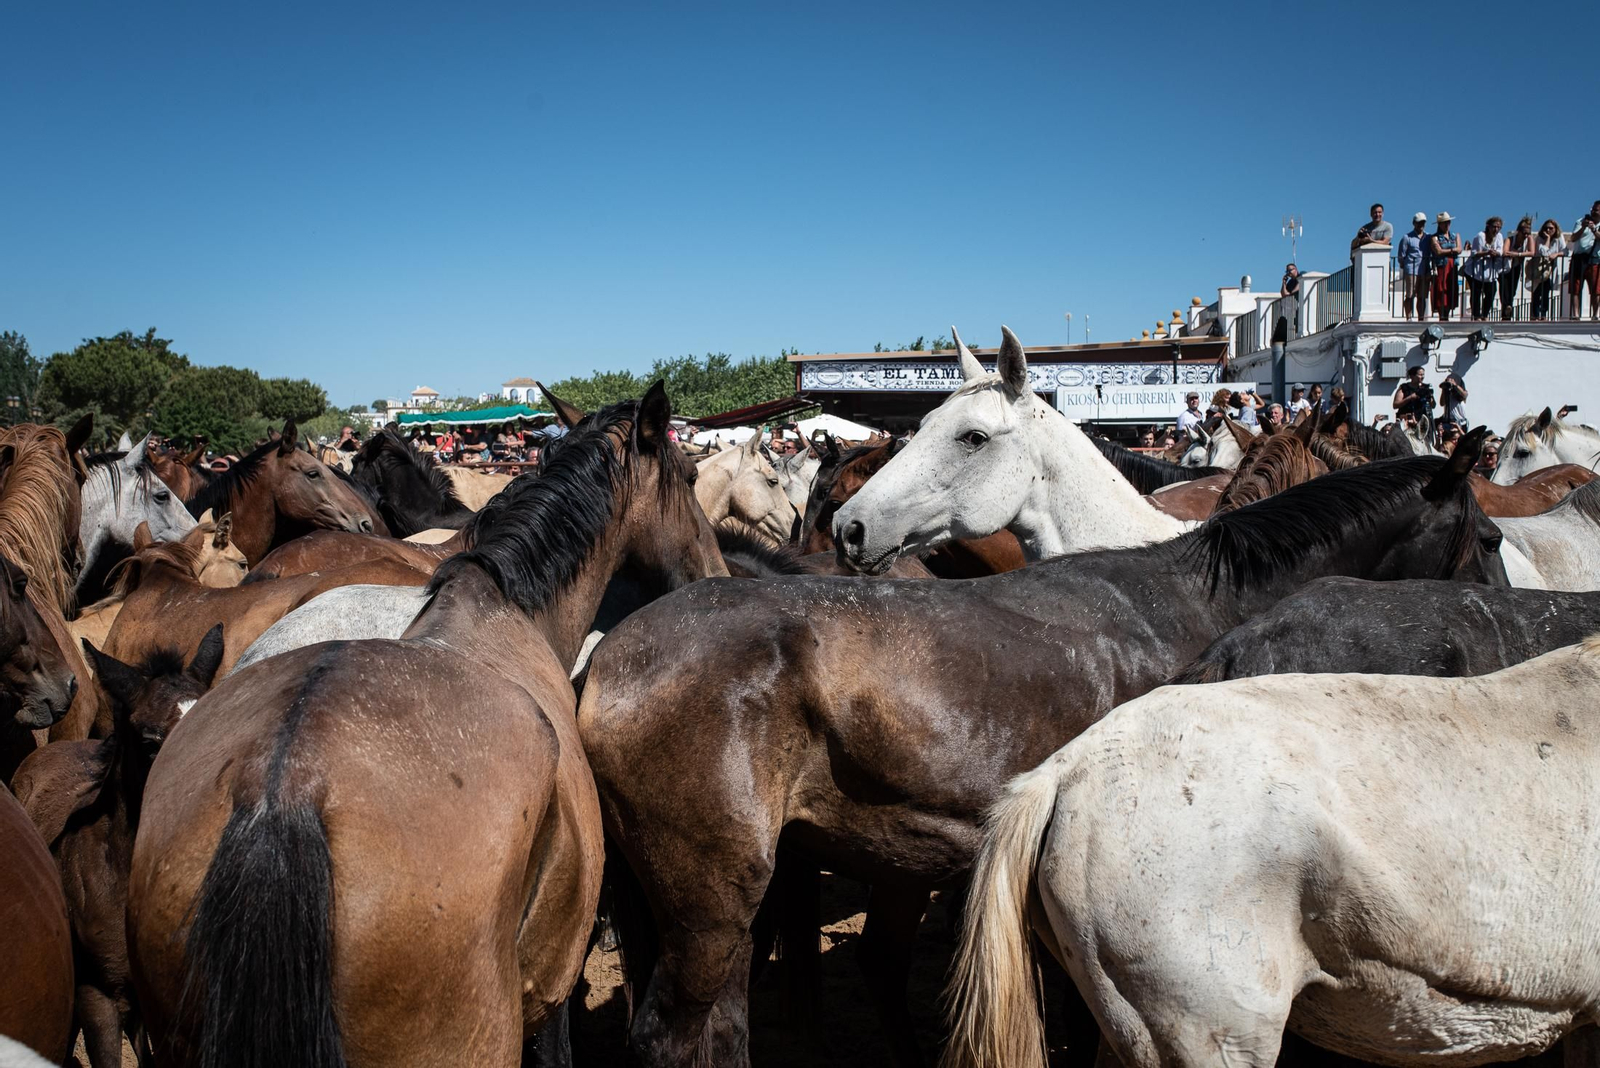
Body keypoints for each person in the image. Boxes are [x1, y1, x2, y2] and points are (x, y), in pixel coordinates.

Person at [1464, 216, 1507, 321]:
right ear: (1488, 226)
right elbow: (1475, 252)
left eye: (1498, 227)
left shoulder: (1499, 237)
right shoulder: (1480, 236)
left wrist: (1495, 253)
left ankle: (1484, 314)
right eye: (1494, 227)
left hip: (1490, 271)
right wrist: (1487, 253)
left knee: (1491, 292)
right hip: (1475, 270)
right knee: (1476, 293)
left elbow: (1500, 250)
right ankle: (1476, 315)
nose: (1496, 229)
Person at [1428, 212, 1464, 321]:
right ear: (1439, 224)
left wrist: (1447, 251)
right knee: (1441, 290)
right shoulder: (1434, 237)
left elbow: (1460, 249)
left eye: (1448, 222)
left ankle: (1446, 315)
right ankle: (1442, 316)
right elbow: (1438, 251)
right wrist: (1452, 251)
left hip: (1452, 267)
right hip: (1441, 267)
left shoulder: (1455, 235)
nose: (1447, 224)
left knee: (1450, 290)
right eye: (1444, 223)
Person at [1530, 219, 1566, 321]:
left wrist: (1557, 254)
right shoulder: (1540, 238)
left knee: (1546, 292)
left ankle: (1543, 314)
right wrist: (1548, 239)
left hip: (1550, 271)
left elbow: (1565, 251)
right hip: (1539, 270)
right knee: (1537, 293)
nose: (1548, 230)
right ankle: (1535, 315)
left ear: (1555, 229)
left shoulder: (1559, 238)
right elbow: (1543, 253)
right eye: (1546, 228)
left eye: (1551, 228)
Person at [1500, 216, 1536, 321]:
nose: (1526, 235)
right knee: (1504, 290)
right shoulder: (1510, 239)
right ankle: (1506, 313)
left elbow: (1532, 252)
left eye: (1528, 233)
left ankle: (1507, 311)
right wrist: (1519, 255)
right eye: (1524, 232)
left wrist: (1517, 254)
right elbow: (1505, 252)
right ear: (1518, 231)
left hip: (1516, 267)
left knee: (1512, 290)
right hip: (1504, 267)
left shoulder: (1529, 239)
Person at [1397, 212, 1430, 319]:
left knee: (1422, 296)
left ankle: (1421, 317)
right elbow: (1401, 255)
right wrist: (1405, 266)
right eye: (1419, 223)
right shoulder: (1407, 237)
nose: (1421, 225)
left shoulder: (1428, 237)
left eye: (1423, 223)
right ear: (1414, 223)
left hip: (1424, 270)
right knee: (1410, 295)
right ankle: (1409, 317)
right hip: (1411, 270)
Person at [1571, 201, 1600, 320]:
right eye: (1592, 209)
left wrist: (1594, 230)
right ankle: (1575, 315)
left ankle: (1595, 315)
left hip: (1594, 259)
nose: (1593, 211)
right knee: (1575, 288)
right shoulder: (1580, 221)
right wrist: (1583, 227)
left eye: (1596, 210)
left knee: (1595, 289)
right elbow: (1573, 238)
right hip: (1578, 258)